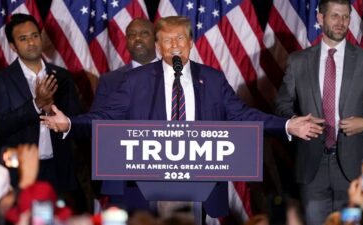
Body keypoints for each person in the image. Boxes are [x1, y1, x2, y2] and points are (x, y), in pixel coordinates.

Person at [42, 16, 323, 218]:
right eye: (167, 40)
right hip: (148, 184)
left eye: (180, 38)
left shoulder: (211, 79)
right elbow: (104, 117)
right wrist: (69, 123)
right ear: (159, 45)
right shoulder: (135, 81)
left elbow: (242, 115)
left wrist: (287, 124)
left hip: (199, 182)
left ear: (190, 42)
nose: (174, 45)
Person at [275, 0, 363, 224]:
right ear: (320, 18)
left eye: (345, 17)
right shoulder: (298, 61)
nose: (341, 22)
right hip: (311, 165)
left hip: (355, 166)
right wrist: (297, 122)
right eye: (335, 16)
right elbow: (281, 105)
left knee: (352, 222)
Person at [0, 14, 83, 194]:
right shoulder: (2, 80)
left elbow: (77, 122)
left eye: (35, 35)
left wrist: (54, 112)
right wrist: (36, 104)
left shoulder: (62, 76)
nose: (32, 42)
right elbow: (0, 126)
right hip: (21, 171)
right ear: (13, 46)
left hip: (58, 168)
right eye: (23, 39)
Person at [91, 18, 158, 211]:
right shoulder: (110, 81)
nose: (137, 38)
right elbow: (96, 126)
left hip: (167, 178)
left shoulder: (177, 76)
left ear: (155, 38)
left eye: (144, 33)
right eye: (131, 35)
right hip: (123, 181)